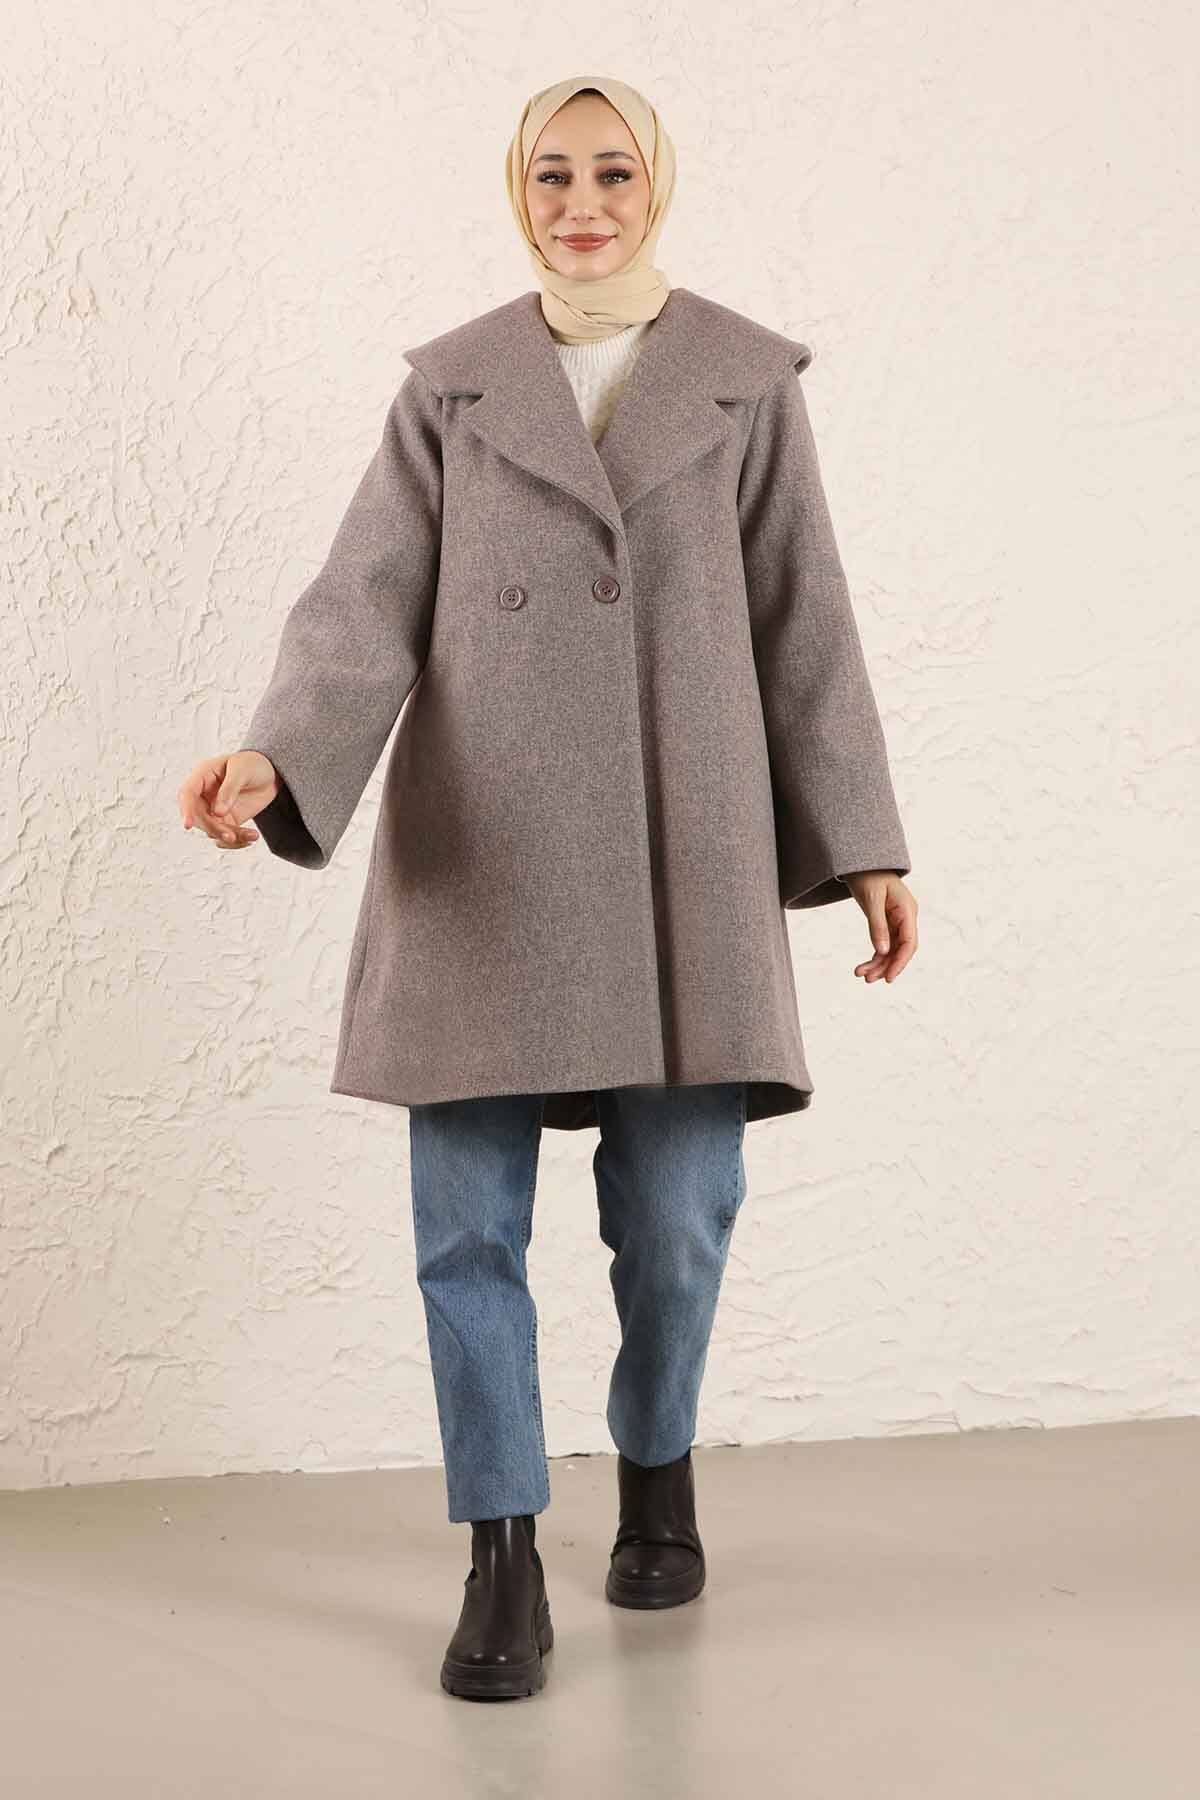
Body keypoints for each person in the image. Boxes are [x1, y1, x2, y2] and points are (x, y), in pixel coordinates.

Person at [177, 74, 918, 1702]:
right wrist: (278, 758)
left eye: (613, 174)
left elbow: (805, 616)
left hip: (684, 855)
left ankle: (656, 1466)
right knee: (465, 1230)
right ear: (517, 191)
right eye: (554, 177)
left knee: (681, 1216)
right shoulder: (454, 386)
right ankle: (501, 1546)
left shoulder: (743, 379)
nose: (583, 206)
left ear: (659, 185)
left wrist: (864, 840)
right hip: (480, 848)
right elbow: (365, 598)